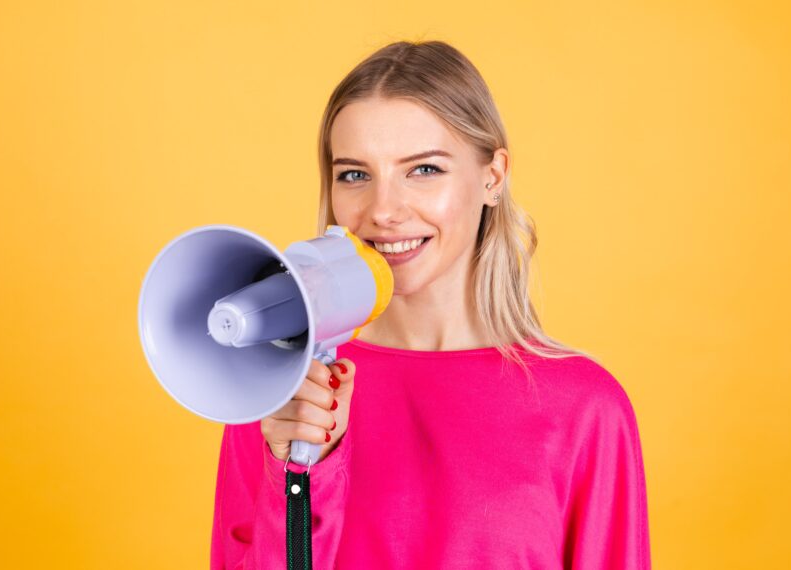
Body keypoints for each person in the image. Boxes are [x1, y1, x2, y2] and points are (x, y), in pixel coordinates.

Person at [210, 40, 651, 569]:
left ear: (492, 177)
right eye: (355, 174)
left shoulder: (584, 410)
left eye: (423, 170)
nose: (383, 210)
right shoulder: (281, 391)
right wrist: (299, 477)